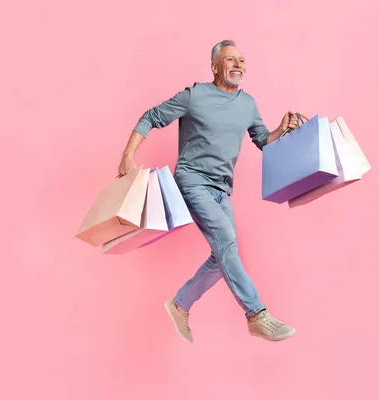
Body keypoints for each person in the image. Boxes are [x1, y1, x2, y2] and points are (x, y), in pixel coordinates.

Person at [117, 40, 298, 343]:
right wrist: (127, 155)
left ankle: (180, 304)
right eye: (231, 60)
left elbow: (263, 140)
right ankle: (256, 314)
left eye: (241, 59)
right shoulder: (195, 96)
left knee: (224, 255)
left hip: (222, 190)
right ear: (215, 66)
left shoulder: (248, 103)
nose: (238, 64)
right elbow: (151, 116)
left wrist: (281, 130)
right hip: (192, 180)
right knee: (226, 244)